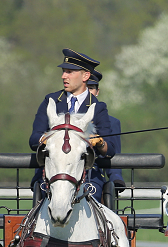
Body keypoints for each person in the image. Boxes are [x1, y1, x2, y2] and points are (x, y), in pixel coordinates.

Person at [29, 49, 117, 202]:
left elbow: (110, 148)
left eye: (69, 72)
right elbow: (34, 139)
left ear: (85, 76)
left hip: (87, 175)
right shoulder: (50, 101)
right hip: (52, 173)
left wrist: (100, 142)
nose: (64, 76)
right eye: (64, 72)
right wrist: (46, 138)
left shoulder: (98, 107)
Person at [86, 70, 125, 197]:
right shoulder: (62, 117)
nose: (87, 92)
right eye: (84, 88)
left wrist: (116, 178)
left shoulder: (111, 122)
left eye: (91, 88)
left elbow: (114, 154)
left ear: (97, 92)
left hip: (92, 175)